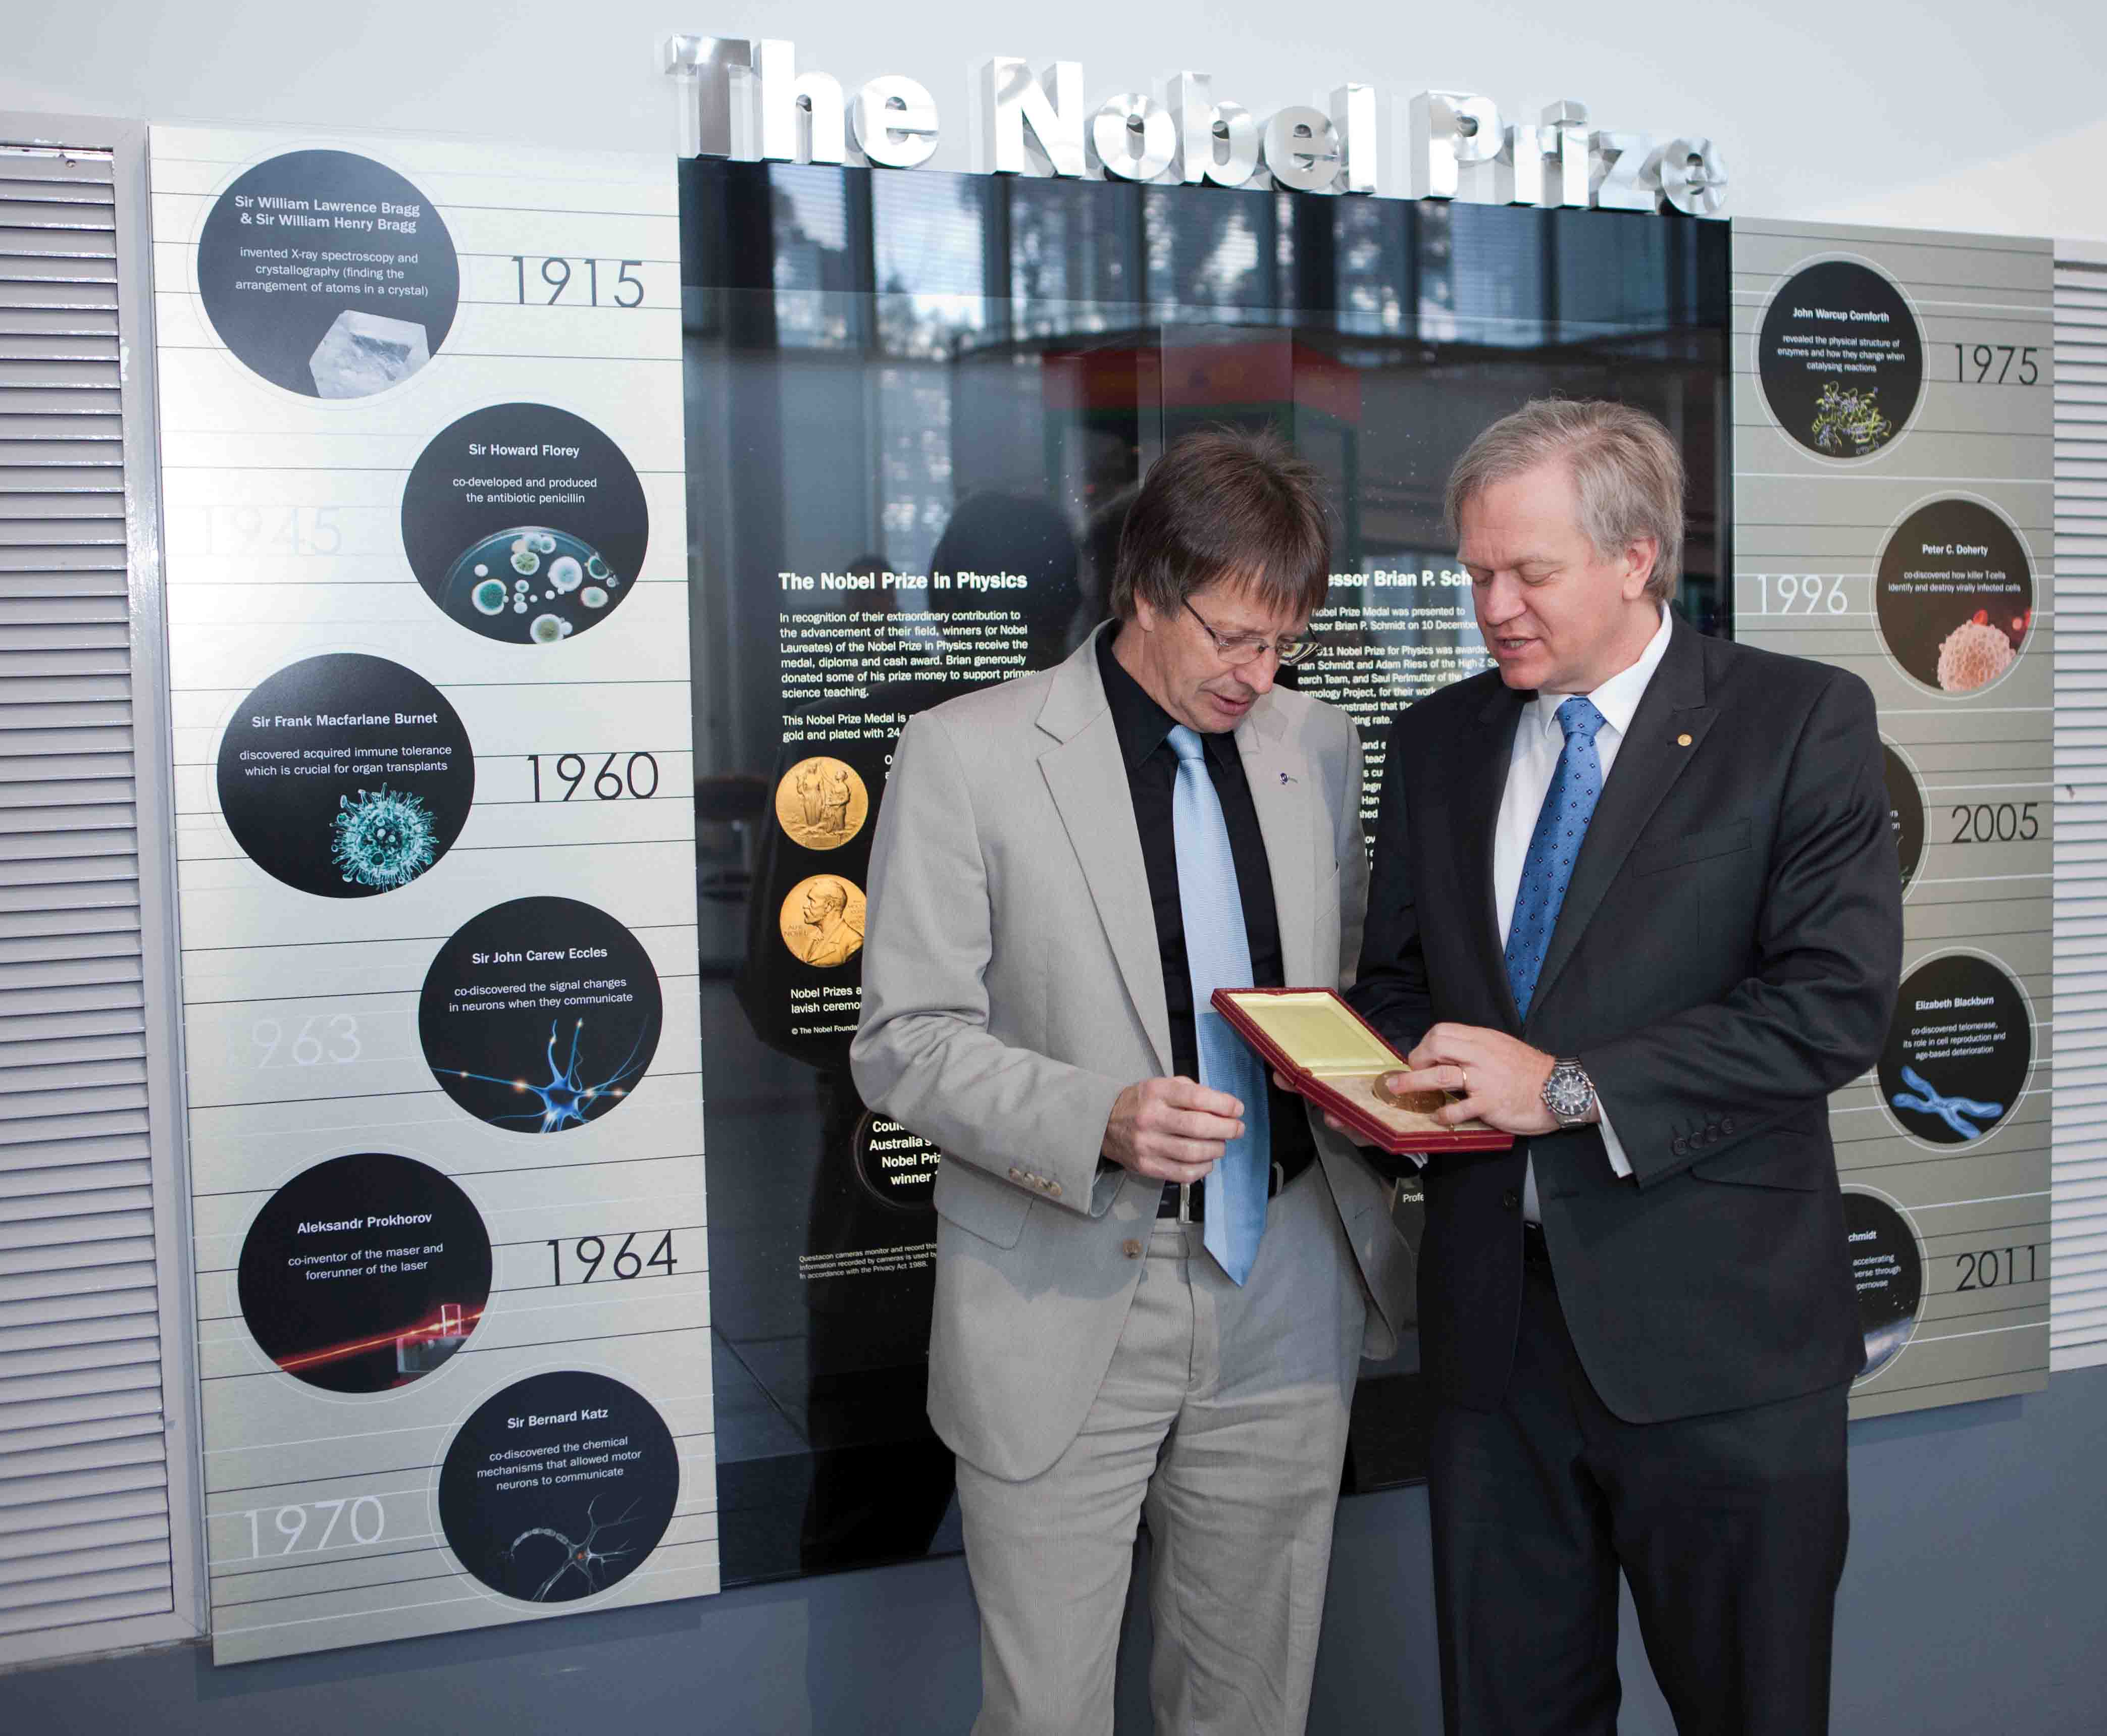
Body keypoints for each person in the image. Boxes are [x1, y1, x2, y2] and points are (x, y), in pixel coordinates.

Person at [1348, 398, 1903, 1735]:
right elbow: (1401, 984)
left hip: (1722, 1343)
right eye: (1475, 573)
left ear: (1638, 557)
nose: (1494, 607)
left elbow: (1831, 1007)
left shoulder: (1798, 723)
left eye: (1530, 574)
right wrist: (1382, 1079)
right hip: (1495, 1346)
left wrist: (1572, 1088)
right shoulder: (1438, 742)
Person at [852, 429, 1413, 1735]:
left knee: (1251, 1702)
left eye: (1283, 645)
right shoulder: (970, 753)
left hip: (1288, 1279)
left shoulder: (1315, 747)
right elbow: (903, 1040)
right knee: (1047, 1714)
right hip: (1064, 1285)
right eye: (1230, 638)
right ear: (1144, 589)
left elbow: (1333, 988)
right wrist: (1094, 1117)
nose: (1257, 675)